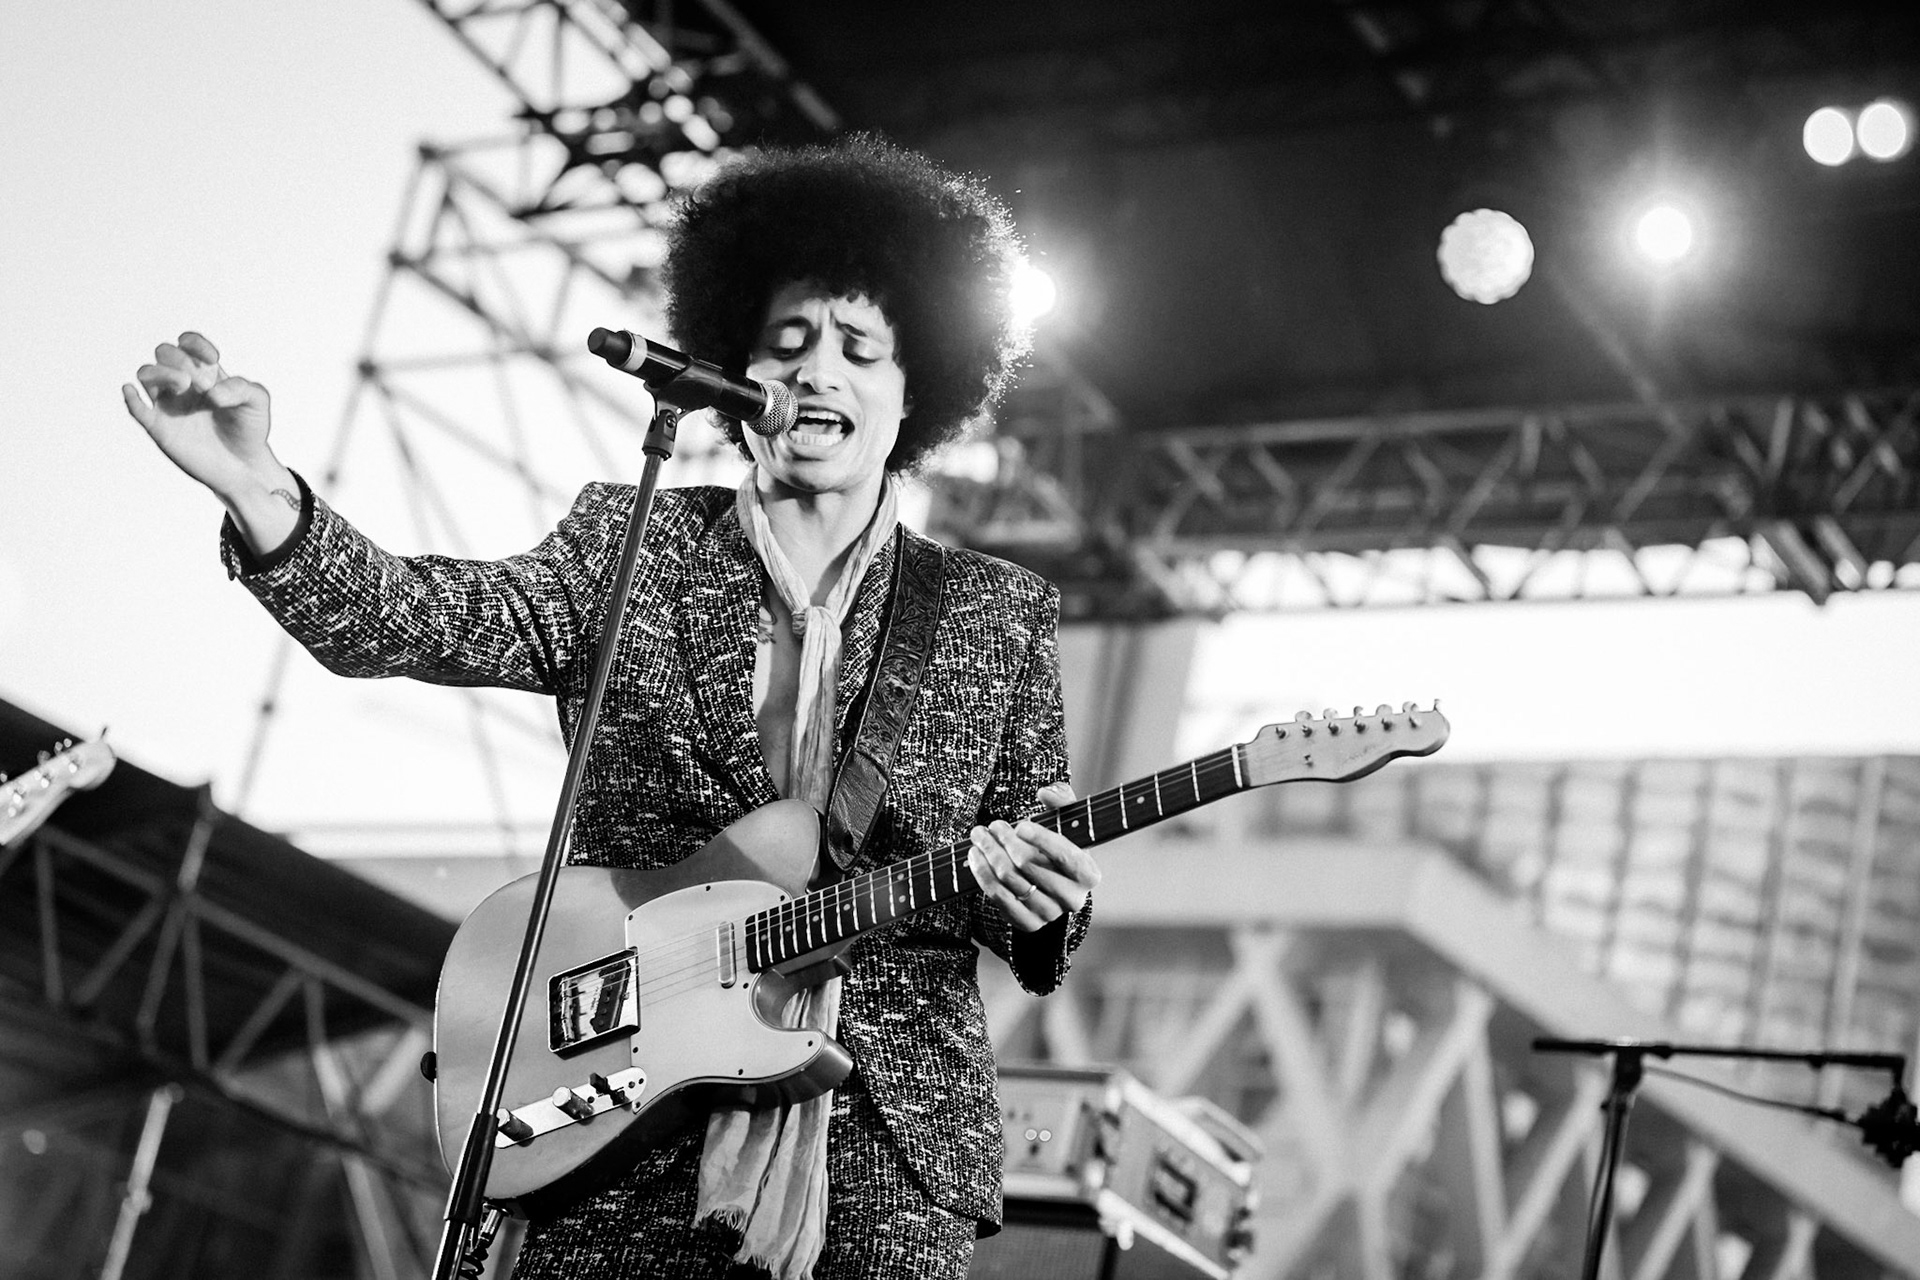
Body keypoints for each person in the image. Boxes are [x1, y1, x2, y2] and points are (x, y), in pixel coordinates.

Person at [122, 135, 1100, 1280]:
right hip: (615, 1098)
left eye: (858, 349)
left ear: (914, 387)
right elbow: (415, 619)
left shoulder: (995, 613)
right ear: (736, 377)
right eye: (786, 346)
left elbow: (1029, 882)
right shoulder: (630, 539)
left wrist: (1044, 901)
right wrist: (258, 488)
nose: (818, 373)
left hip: (880, 1144)